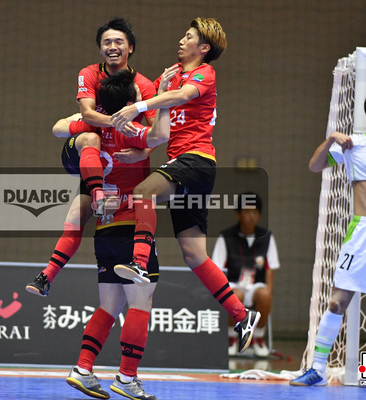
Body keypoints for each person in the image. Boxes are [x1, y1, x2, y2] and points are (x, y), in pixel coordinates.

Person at [110, 17, 260, 354]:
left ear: (203, 47)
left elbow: (180, 96)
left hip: (196, 161)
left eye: (188, 36)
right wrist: (142, 148)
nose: (181, 40)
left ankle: (139, 261)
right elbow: (159, 127)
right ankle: (242, 315)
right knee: (194, 255)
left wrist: (143, 103)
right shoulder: (169, 76)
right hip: (180, 163)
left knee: (143, 192)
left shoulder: (205, 73)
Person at [25, 17, 157, 297]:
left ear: (131, 47)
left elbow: (157, 134)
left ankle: (46, 277)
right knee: (90, 139)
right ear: (99, 48)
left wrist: (142, 152)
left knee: (79, 213)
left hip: (117, 171)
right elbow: (72, 121)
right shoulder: (89, 76)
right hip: (89, 158)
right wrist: (116, 122)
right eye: (106, 42)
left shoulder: (143, 86)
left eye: (119, 41)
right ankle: (97, 196)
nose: (112, 47)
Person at [290, 88, 366, 388]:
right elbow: (315, 165)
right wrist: (331, 138)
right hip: (362, 231)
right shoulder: (354, 145)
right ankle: (318, 369)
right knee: (337, 302)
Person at [64, 70, 171, 400]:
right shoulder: (131, 129)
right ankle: (127, 377)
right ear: (129, 102)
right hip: (131, 227)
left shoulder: (93, 130)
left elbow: (58, 128)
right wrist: (159, 99)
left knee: (109, 305)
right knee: (141, 302)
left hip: (104, 228)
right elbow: (162, 134)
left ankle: (83, 369)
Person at [211, 193, 280, 357]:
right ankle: (232, 337)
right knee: (236, 295)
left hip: (256, 286)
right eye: (247, 212)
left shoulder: (267, 237)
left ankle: (258, 337)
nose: (251, 216)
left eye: (255, 212)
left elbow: (269, 269)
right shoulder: (226, 237)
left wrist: (269, 294)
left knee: (265, 294)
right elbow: (217, 270)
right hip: (233, 285)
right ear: (238, 214)